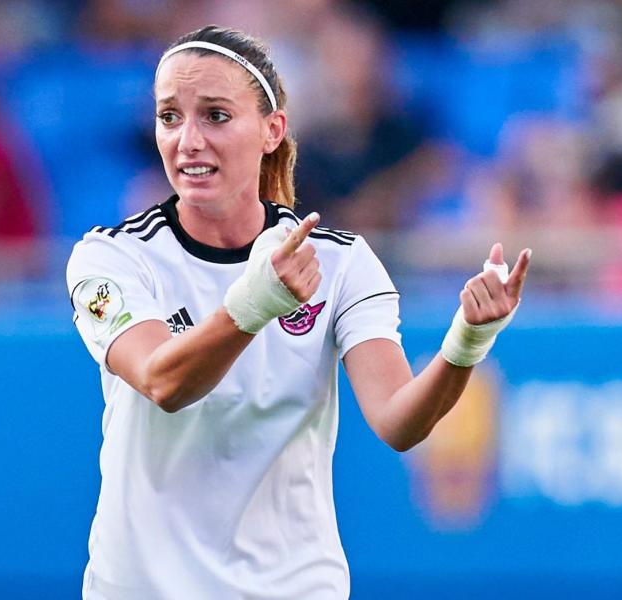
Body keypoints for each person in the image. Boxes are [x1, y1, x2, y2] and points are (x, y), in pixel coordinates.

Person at [66, 25, 531, 600]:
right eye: (169, 116)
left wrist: (467, 343)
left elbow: (399, 421)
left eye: (214, 115)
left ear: (271, 131)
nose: (187, 140)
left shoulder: (340, 263)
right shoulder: (110, 258)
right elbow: (163, 380)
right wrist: (257, 302)